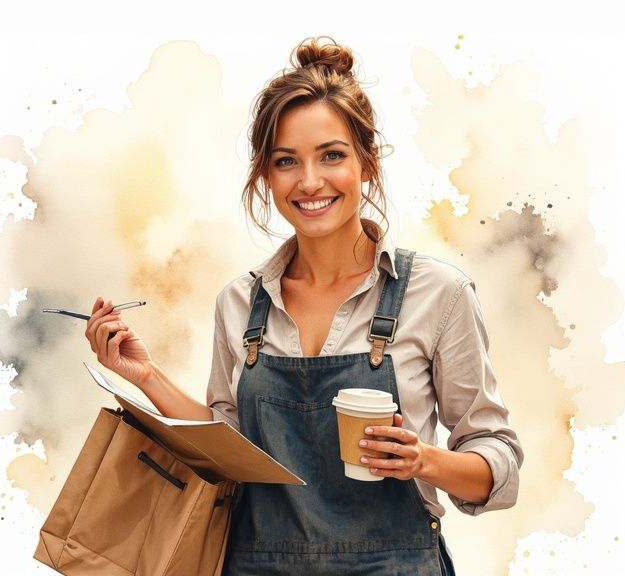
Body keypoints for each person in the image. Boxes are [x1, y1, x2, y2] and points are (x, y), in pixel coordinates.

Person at [85, 36, 522, 576]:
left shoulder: (438, 294)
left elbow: (496, 462)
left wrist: (421, 460)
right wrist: (145, 375)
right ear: (265, 177)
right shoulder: (241, 304)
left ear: (368, 163)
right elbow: (229, 451)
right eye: (286, 161)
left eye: (332, 156)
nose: (310, 181)